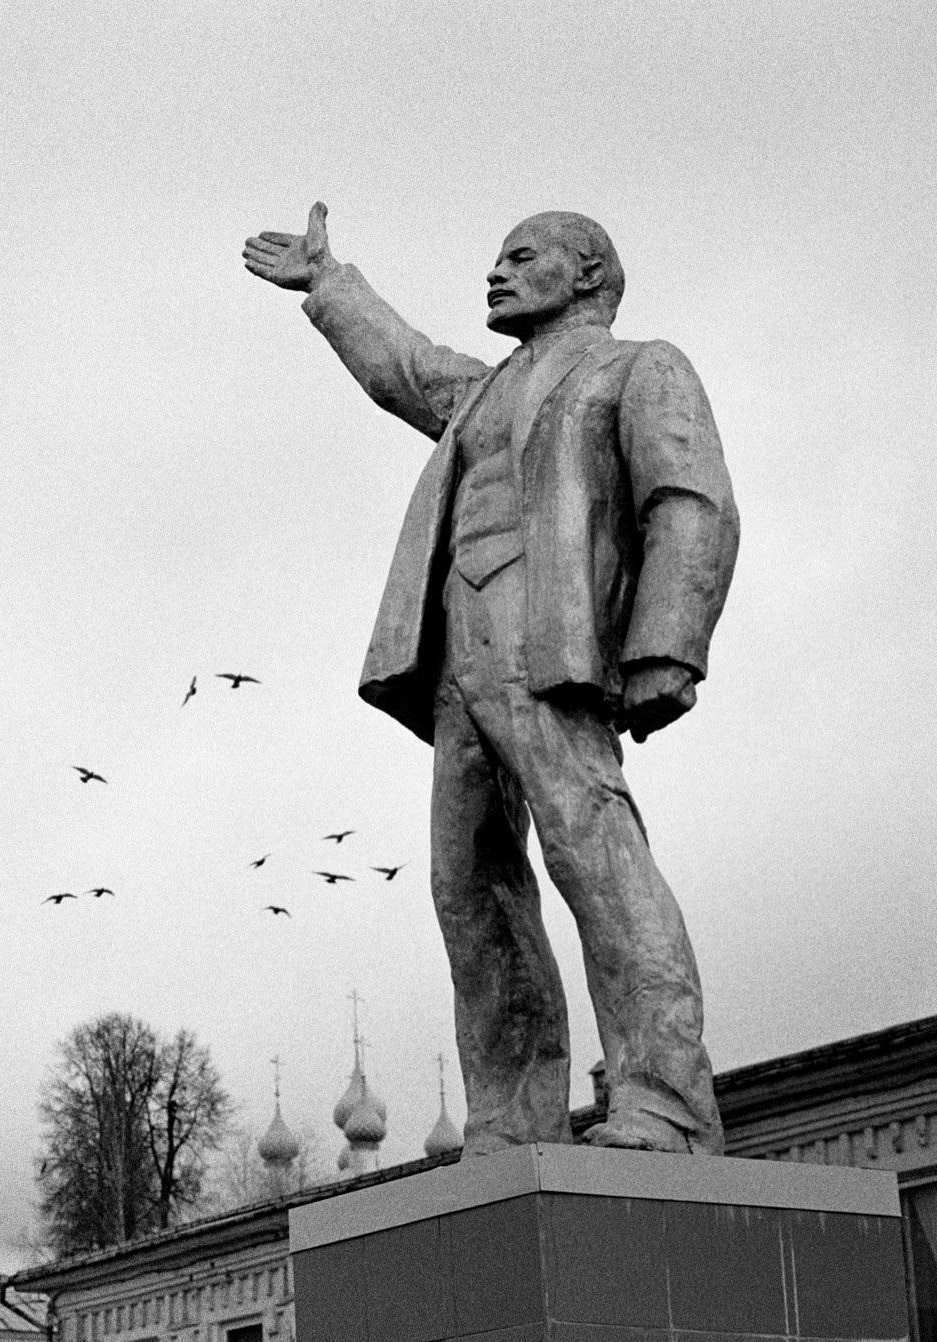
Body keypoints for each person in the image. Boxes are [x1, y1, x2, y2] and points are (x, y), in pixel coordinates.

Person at [243, 205, 739, 1154]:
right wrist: (330, 285)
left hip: (555, 641)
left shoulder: (640, 368)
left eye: (521, 258)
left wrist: (666, 646)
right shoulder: (480, 392)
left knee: (593, 852)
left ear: (588, 272)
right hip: (459, 652)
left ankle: (665, 1101)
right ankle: (515, 1121)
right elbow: (407, 368)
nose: (496, 274)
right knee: (468, 883)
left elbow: (692, 502)